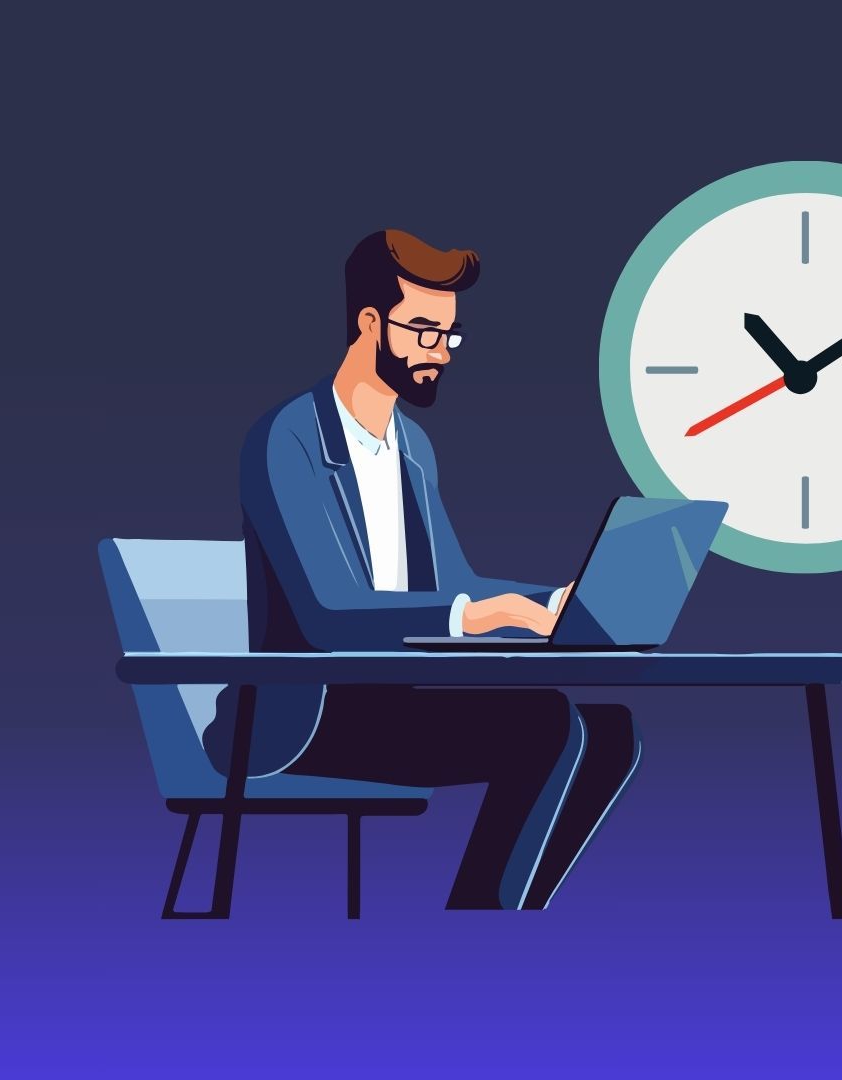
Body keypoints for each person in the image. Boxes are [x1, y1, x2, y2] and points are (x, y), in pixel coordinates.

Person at [207, 228, 639, 910]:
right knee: (545, 726)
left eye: (450, 335)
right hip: (306, 713)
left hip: (395, 698)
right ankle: (480, 924)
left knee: (612, 730)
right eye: (423, 331)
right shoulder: (287, 439)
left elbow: (454, 583)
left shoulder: (413, 449)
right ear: (369, 322)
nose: (440, 352)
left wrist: (552, 598)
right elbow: (327, 613)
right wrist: (477, 616)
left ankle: (504, 913)